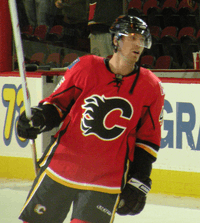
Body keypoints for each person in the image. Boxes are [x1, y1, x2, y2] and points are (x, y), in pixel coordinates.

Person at [17, 15, 165, 223]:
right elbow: (57, 106)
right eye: (132, 37)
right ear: (116, 40)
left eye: (142, 39)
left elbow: (148, 140)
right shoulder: (86, 67)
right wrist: (38, 119)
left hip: (106, 181)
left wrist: (139, 179)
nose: (138, 44)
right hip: (61, 169)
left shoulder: (151, 86)